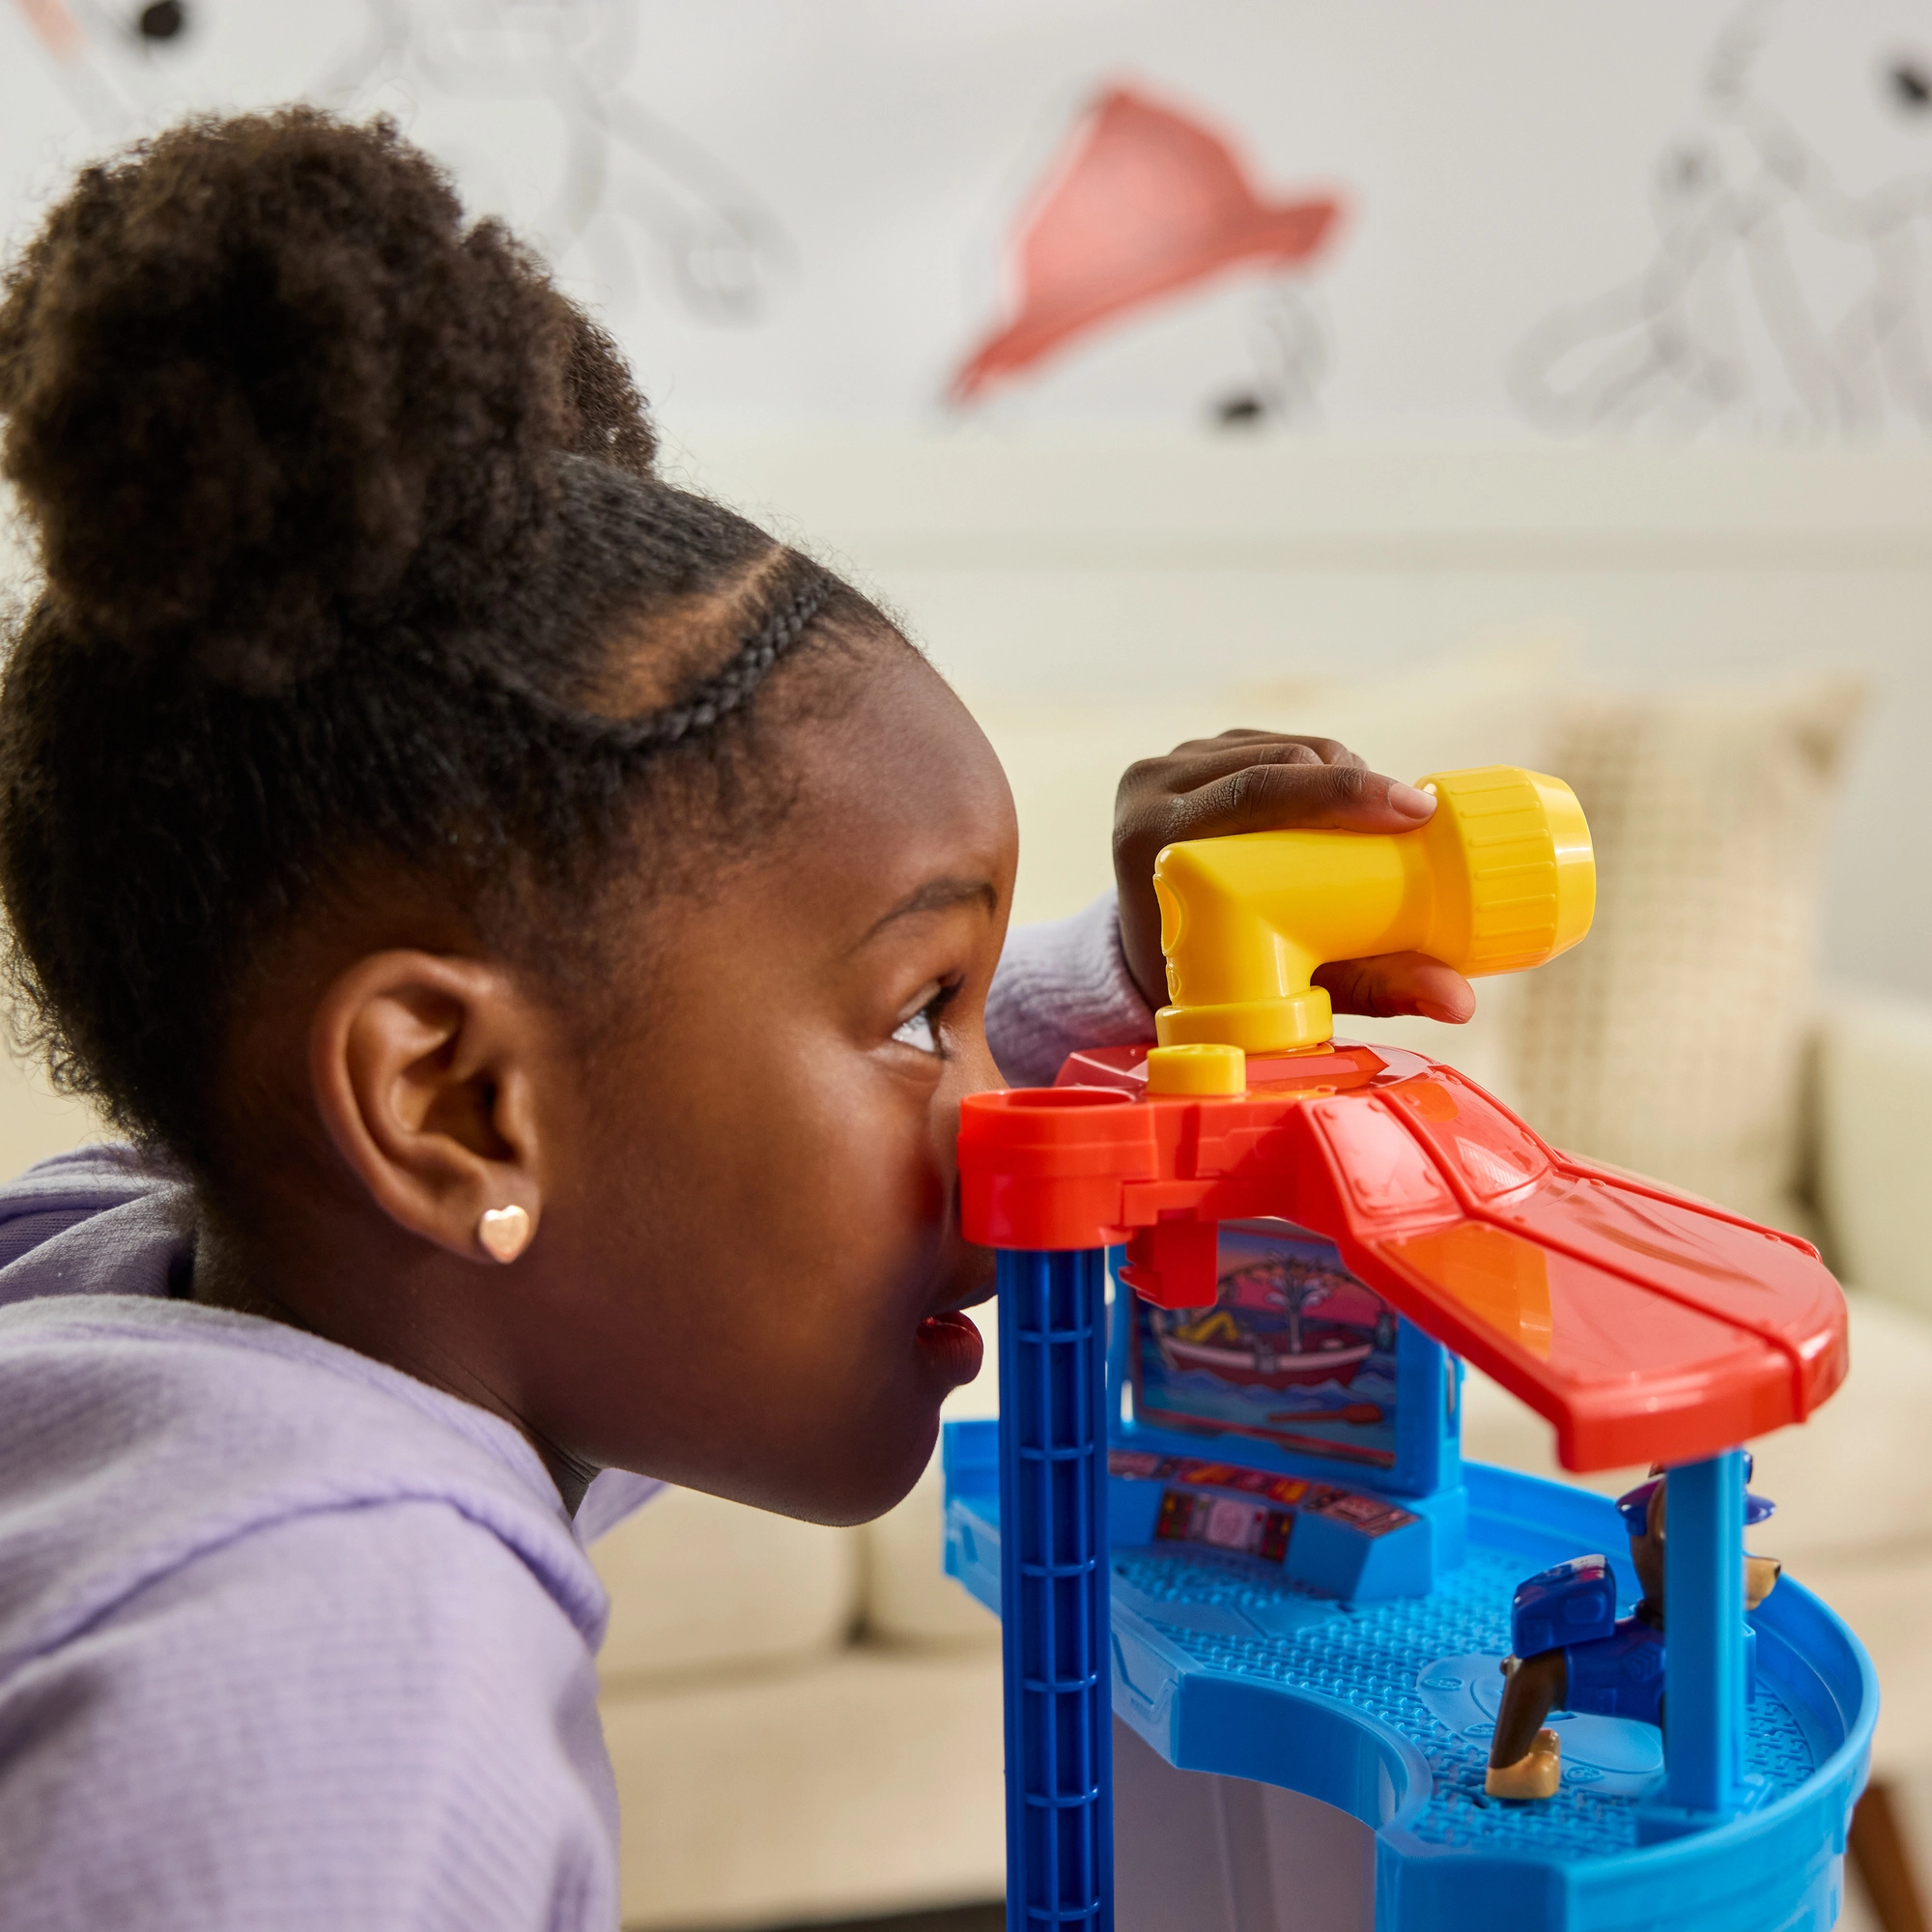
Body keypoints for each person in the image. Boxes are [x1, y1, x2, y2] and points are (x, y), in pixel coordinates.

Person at [0, 108, 1468, 1930]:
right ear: (452, 1106)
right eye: (923, 1016)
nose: (1011, 1139)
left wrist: (1130, 980)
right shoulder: (332, 1687)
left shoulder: (158, 1299)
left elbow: (630, 1187)